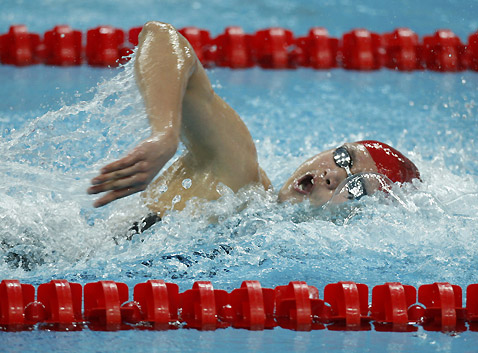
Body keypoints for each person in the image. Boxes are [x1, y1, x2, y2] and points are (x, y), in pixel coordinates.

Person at [87, 21, 420, 219]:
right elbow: (162, 36)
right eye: (344, 158)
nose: (334, 176)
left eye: (357, 186)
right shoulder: (237, 174)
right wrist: (164, 134)